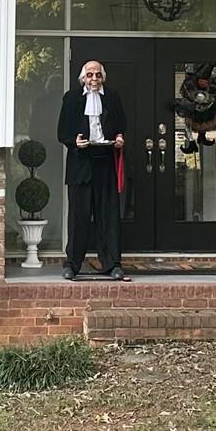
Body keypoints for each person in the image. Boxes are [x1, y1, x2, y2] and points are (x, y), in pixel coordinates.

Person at [57, 58, 128, 279]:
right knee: (79, 216)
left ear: (103, 77)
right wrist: (74, 142)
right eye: (90, 75)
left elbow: (121, 126)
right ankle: (72, 264)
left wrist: (118, 139)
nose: (94, 78)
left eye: (97, 74)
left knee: (108, 215)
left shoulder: (113, 97)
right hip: (81, 164)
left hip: (105, 161)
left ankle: (112, 263)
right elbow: (62, 132)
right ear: (83, 78)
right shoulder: (71, 98)